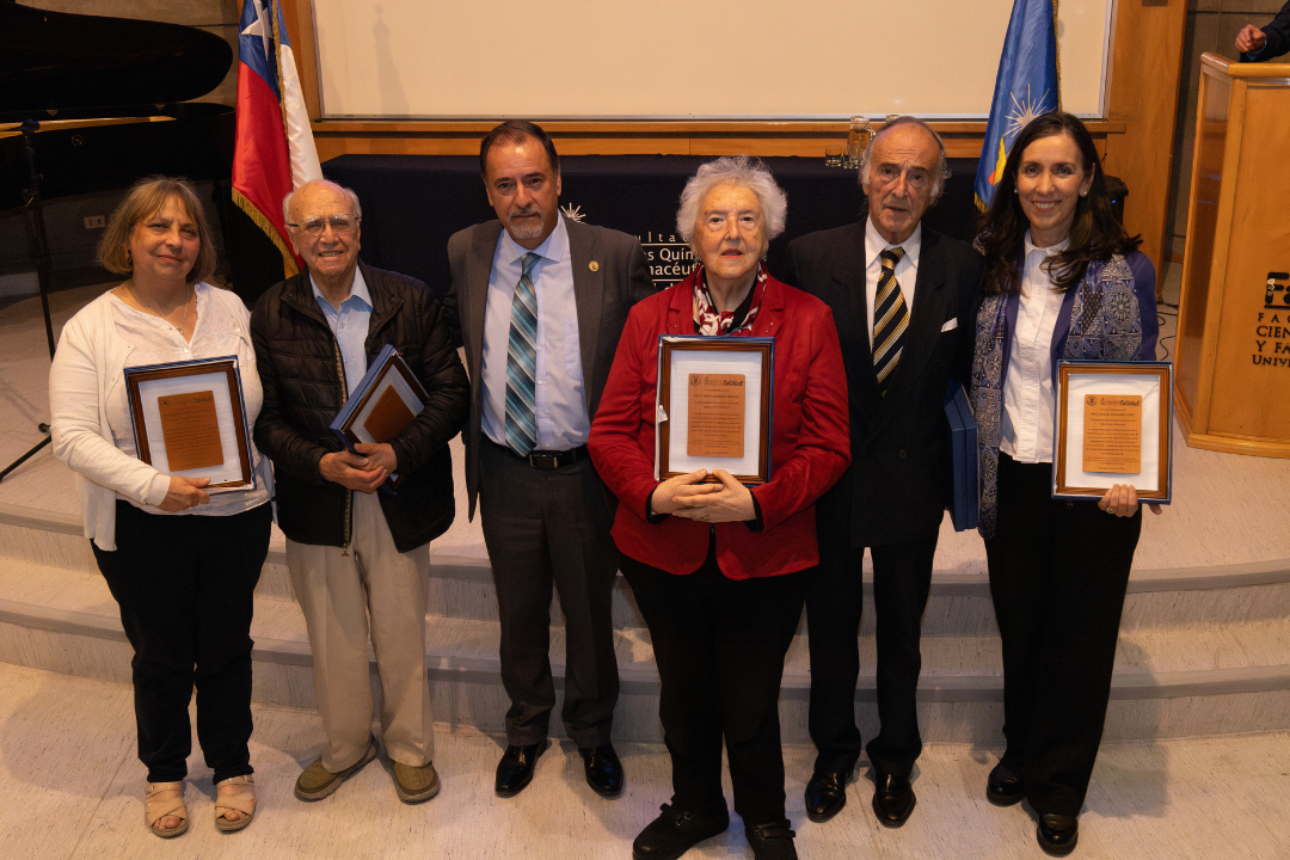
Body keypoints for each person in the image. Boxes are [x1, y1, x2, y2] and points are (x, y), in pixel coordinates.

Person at [588, 156, 850, 860]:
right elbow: (609, 432)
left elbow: (829, 446)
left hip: (766, 548)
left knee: (750, 698)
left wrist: (758, 502)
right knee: (683, 695)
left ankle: (764, 817)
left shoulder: (809, 319)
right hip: (663, 545)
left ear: (768, 234)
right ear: (692, 235)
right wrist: (651, 493)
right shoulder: (650, 319)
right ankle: (696, 806)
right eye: (716, 218)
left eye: (747, 218)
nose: (732, 232)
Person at [49, 176, 271, 837]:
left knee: (229, 646)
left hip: (236, 515)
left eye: (188, 230)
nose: (175, 241)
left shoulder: (231, 307)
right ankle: (165, 772)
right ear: (128, 238)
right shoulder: (91, 328)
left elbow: (258, 402)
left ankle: (232, 764)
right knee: (163, 656)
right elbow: (72, 437)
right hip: (143, 523)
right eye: (158, 227)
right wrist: (154, 487)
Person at [971, 111, 1162, 856]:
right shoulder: (990, 257)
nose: (1045, 186)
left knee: (1079, 640)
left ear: (1088, 180)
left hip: (1093, 492)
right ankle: (1021, 749)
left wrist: (1131, 477)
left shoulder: (1126, 271)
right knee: (1021, 626)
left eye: (1062, 170)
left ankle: (1059, 785)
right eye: (1032, 170)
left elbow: (1140, 375)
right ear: (1012, 178)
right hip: (1011, 475)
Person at [445, 120, 654, 798]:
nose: (522, 198)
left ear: (559, 182)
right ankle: (526, 731)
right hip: (506, 469)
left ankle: (593, 734)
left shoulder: (615, 254)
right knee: (520, 611)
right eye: (504, 185)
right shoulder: (466, 250)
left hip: (586, 476)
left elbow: (651, 365)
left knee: (591, 614)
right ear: (487, 192)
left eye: (534, 180)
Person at [784, 117, 982, 828]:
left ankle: (895, 758)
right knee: (831, 631)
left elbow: (967, 380)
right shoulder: (807, 257)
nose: (900, 189)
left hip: (913, 486)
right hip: (831, 485)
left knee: (903, 634)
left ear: (936, 190)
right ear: (865, 176)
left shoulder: (963, 269)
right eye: (888, 171)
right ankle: (834, 755)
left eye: (918, 176)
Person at [251, 179, 469, 805]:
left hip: (398, 493)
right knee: (333, 633)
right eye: (312, 226)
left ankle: (409, 748)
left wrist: (402, 450)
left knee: (402, 628)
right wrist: (319, 463)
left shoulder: (410, 298)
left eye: (339, 222)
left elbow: (452, 392)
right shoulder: (270, 311)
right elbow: (263, 420)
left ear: (359, 228)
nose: (328, 236)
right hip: (319, 498)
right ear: (293, 237)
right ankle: (345, 745)